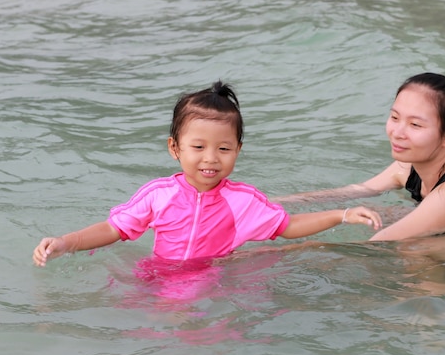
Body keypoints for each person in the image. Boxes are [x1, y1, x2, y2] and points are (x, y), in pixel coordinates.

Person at [32, 81, 382, 267]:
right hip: (157, 275)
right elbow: (113, 228)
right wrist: (67, 243)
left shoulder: (242, 199)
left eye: (224, 149)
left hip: (214, 277)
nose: (210, 159)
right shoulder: (159, 194)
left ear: (238, 150)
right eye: (198, 148)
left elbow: (286, 226)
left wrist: (343, 214)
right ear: (175, 148)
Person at [276, 72, 445, 246]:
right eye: (395, 118)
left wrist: (293, 252)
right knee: (374, 212)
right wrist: (268, 204)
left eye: (415, 124)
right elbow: (357, 190)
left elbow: (377, 245)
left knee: (417, 251)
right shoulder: (411, 164)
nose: (398, 132)